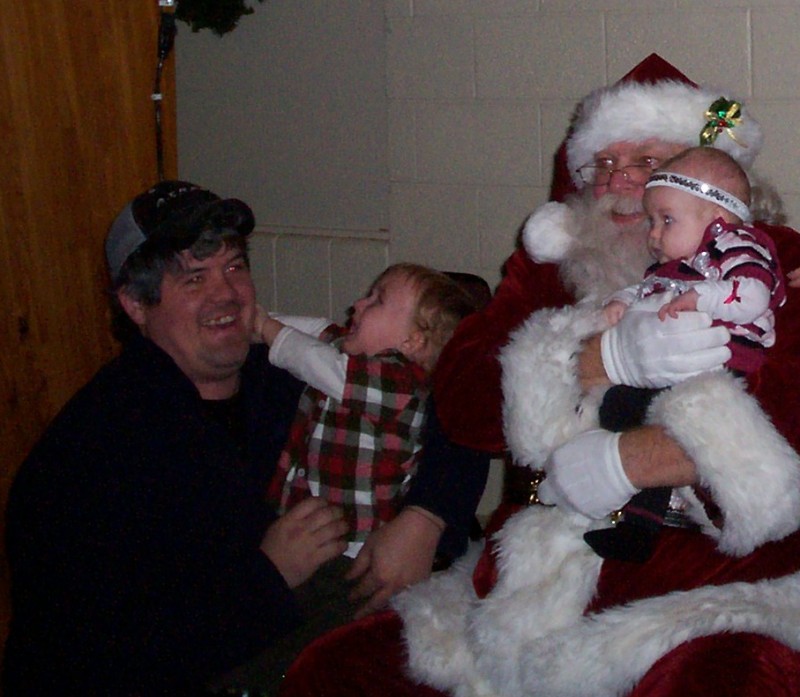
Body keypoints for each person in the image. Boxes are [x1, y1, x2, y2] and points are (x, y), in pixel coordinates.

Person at [278, 54, 800, 697]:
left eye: (647, 162)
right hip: (531, 580)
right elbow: (463, 407)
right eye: (603, 166)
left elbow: (790, 421)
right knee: (333, 673)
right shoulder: (553, 272)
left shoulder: (771, 264)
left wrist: (627, 461)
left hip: (707, 583)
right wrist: (599, 359)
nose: (621, 183)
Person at [1, 180, 351, 695]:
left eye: (235, 266)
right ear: (135, 305)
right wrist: (269, 576)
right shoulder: (92, 454)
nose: (227, 294)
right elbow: (98, 657)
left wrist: (425, 516)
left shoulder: (281, 379)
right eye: (194, 278)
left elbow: (438, 399)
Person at [262, 263, 476, 560]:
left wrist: (266, 328)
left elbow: (311, 359)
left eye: (377, 300)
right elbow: (318, 330)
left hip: (352, 548)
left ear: (411, 341)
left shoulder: (399, 383)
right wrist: (252, 319)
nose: (358, 304)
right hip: (303, 529)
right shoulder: (350, 356)